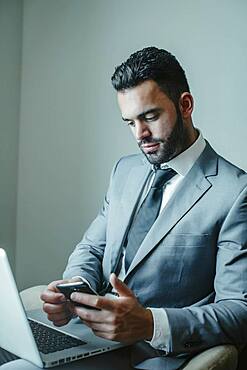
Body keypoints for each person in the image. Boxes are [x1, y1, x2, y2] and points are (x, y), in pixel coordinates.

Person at [1, 47, 247, 370]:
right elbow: (92, 246)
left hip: (150, 356)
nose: (140, 135)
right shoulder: (125, 170)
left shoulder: (235, 192)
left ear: (185, 105)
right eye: (130, 122)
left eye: (150, 117)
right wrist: (75, 289)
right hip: (87, 337)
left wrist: (150, 323)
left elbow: (239, 310)